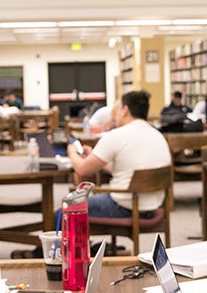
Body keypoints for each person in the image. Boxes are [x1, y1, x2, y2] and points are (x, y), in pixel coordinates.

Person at [66, 90, 172, 220]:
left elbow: (82, 170)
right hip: (153, 207)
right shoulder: (157, 135)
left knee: (65, 210)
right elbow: (131, 170)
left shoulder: (115, 135)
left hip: (124, 206)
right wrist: (94, 156)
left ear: (125, 110)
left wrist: (71, 152)